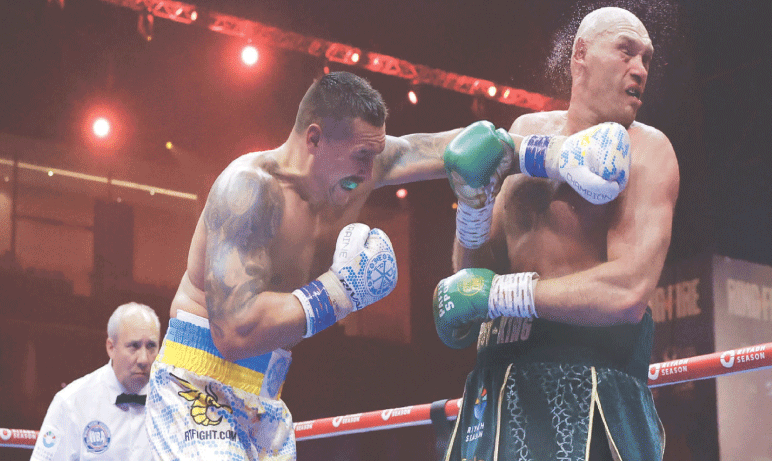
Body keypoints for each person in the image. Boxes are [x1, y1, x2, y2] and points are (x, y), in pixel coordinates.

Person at [146, 71, 503, 460]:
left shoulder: (354, 169)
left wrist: (551, 151)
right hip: (198, 385)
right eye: (361, 156)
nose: (370, 171)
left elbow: (454, 148)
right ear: (314, 138)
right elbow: (233, 331)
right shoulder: (249, 190)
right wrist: (339, 291)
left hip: (265, 394)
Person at [433, 7, 679, 460]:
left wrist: (502, 296)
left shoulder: (648, 150)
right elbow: (475, 278)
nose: (640, 68)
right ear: (581, 53)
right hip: (496, 387)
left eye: (646, 57)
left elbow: (626, 293)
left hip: (590, 387)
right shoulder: (525, 132)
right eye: (626, 52)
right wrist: (471, 206)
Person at [31, 302, 161, 460]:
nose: (144, 359)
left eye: (151, 346)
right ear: (111, 348)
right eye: (134, 346)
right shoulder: (71, 403)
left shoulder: (171, 403)